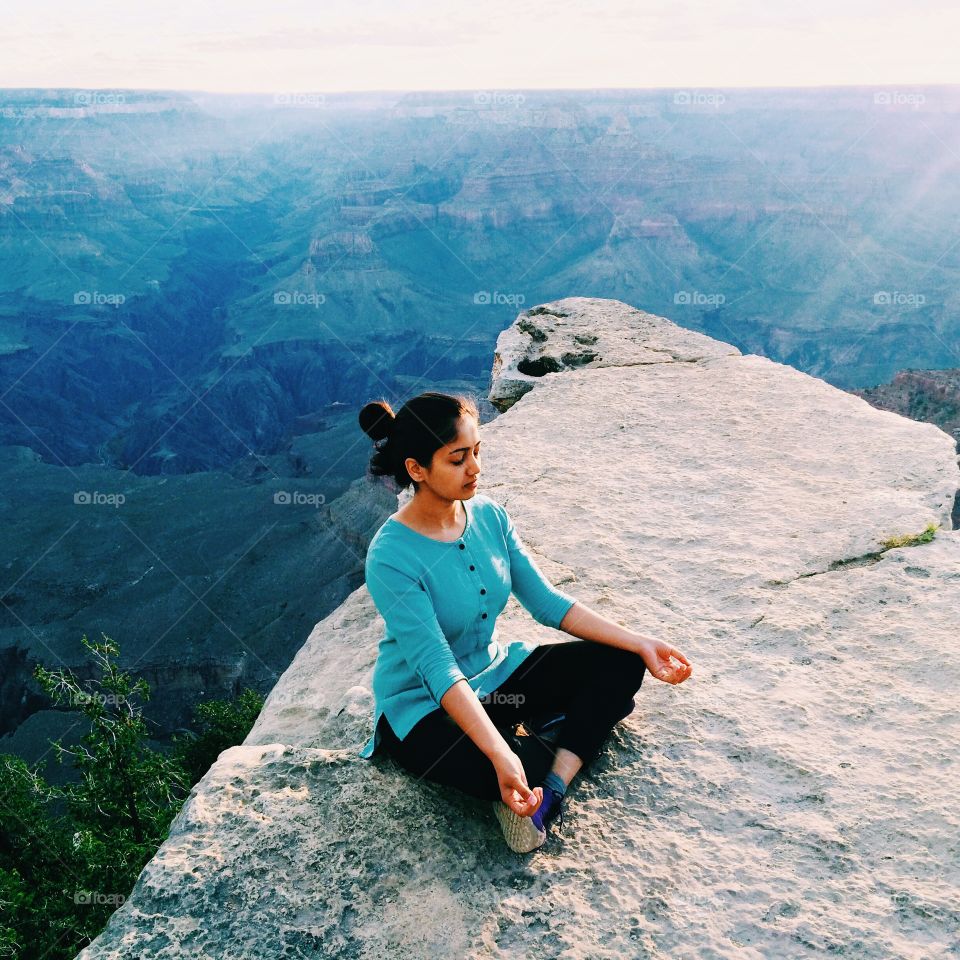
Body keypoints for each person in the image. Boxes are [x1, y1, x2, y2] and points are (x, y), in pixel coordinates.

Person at [357, 391, 692, 853]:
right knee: (505, 765)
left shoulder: (490, 515)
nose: (474, 468)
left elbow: (547, 603)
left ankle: (551, 789)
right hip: (425, 709)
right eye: (458, 458)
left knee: (621, 663)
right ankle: (536, 750)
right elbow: (437, 669)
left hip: (497, 677)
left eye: (477, 452)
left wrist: (640, 642)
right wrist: (499, 756)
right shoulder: (391, 556)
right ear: (416, 469)